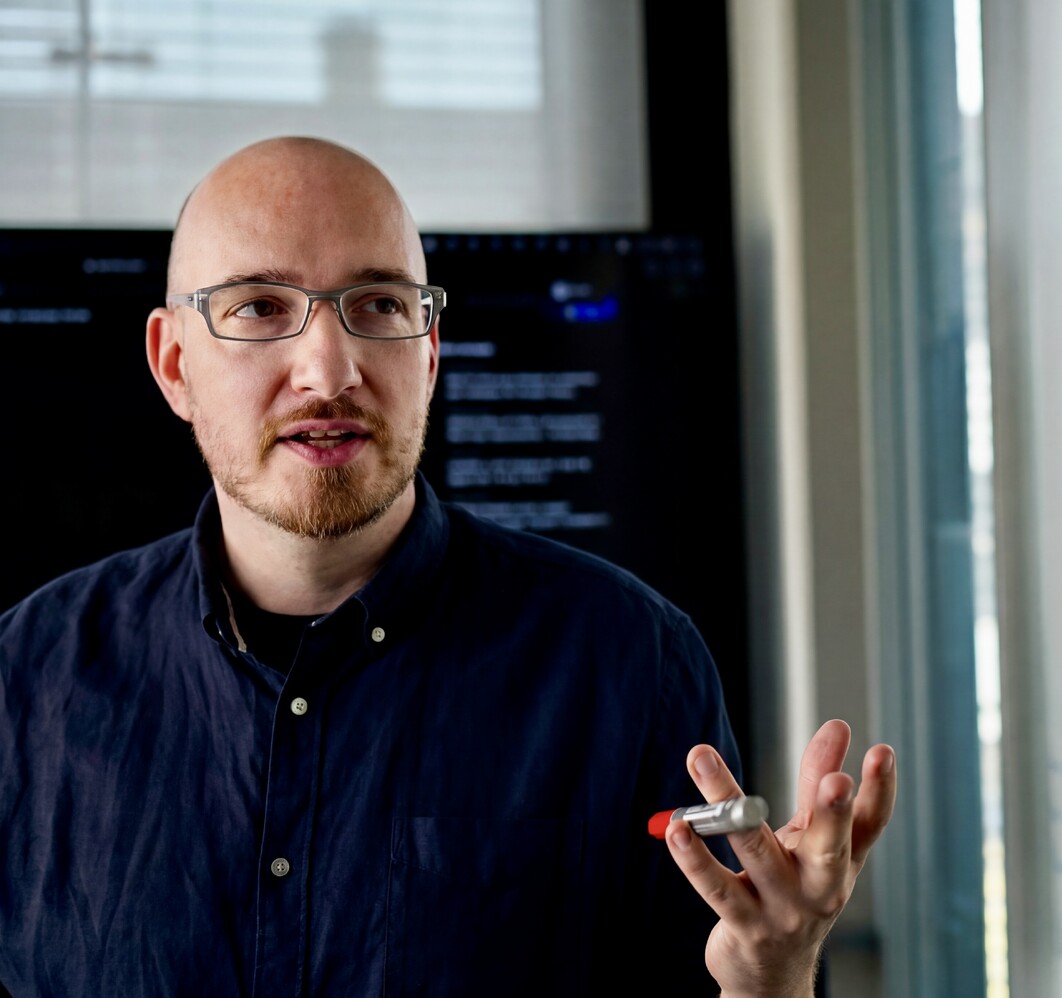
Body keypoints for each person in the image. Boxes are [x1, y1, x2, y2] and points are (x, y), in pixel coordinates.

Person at [0, 136, 895, 995]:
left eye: (380, 304)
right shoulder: (25, 678)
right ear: (173, 364)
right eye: (260, 307)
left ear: (429, 356)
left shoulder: (631, 662)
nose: (328, 368)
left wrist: (771, 983)